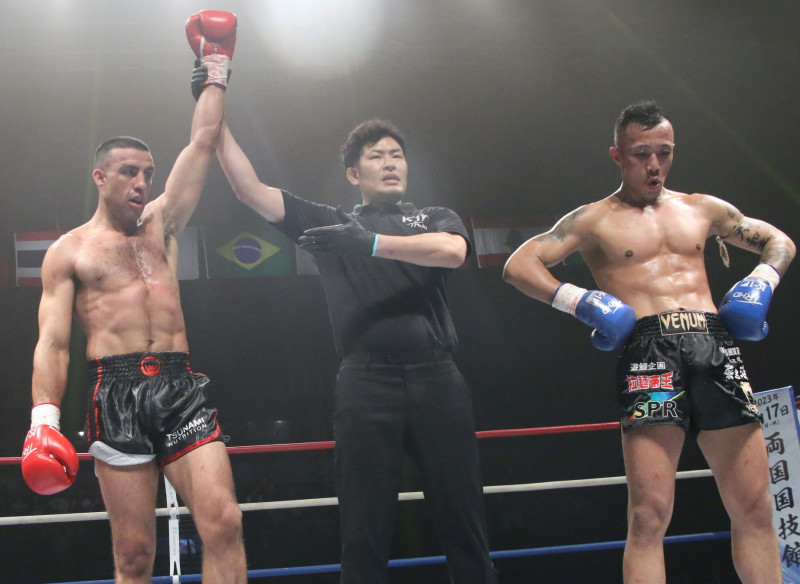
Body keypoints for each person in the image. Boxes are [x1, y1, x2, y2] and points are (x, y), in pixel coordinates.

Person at [503, 100, 795, 583]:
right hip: (650, 353)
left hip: (715, 345)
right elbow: (519, 265)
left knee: (755, 506)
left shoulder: (702, 207)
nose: (654, 164)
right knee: (648, 516)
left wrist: (762, 280)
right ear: (618, 155)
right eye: (642, 154)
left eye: (665, 152)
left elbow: (779, 241)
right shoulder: (592, 219)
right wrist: (580, 301)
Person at [214, 114, 497, 583]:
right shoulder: (332, 223)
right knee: (364, 526)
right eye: (376, 156)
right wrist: (216, 116)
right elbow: (250, 190)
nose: (390, 163)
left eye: (397, 155)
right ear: (353, 173)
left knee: (463, 518)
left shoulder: (432, 218)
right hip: (366, 384)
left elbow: (454, 252)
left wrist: (369, 243)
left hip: (437, 378)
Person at [21, 11, 247, 584]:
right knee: (134, 556)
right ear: (100, 177)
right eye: (128, 172)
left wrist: (215, 68)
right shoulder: (69, 252)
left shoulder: (162, 224)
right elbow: (53, 342)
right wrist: (43, 419)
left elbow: (202, 142)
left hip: (179, 385)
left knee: (224, 522)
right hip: (114, 392)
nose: (142, 183)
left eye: (147, 173)